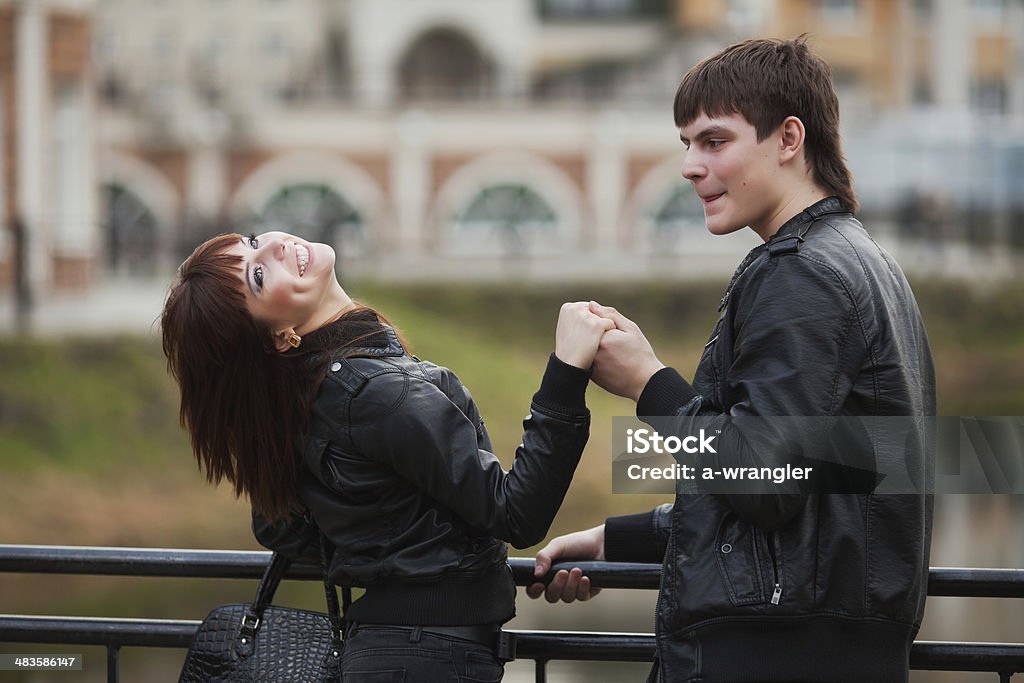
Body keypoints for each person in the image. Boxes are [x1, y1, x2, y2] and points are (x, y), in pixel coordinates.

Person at [528, 37, 936, 683]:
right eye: (686, 143)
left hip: (771, 652)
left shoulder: (802, 272)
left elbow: (761, 478)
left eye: (713, 141)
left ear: (788, 138)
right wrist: (621, 539)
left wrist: (646, 383)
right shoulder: (866, 260)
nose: (690, 166)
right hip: (833, 648)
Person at [161, 230, 614, 682]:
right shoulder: (374, 392)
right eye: (258, 275)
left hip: (393, 648)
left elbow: (280, 527)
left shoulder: (306, 394)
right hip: (430, 656)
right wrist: (567, 372)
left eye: (254, 239)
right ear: (279, 337)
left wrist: (387, 539)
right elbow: (516, 514)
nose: (275, 246)